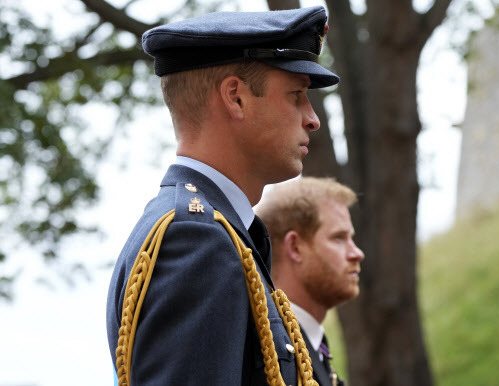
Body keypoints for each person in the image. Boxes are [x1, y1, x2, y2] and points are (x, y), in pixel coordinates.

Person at [105, 6, 339, 386]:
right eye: (296, 95)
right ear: (236, 98)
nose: (312, 118)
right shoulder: (196, 239)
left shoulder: (224, 231)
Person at [255, 177, 365, 386]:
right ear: (296, 247)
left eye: (352, 238)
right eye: (339, 238)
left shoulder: (309, 343)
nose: (357, 253)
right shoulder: (271, 357)